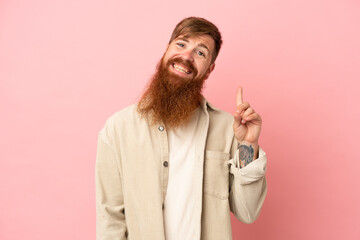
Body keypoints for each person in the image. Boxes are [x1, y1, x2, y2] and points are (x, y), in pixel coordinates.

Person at [96, 16, 267, 240]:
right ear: (166, 50)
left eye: (200, 52)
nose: (186, 56)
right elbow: (110, 218)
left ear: (209, 69)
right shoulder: (117, 129)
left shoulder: (229, 129)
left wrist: (248, 145)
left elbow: (247, 212)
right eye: (181, 44)